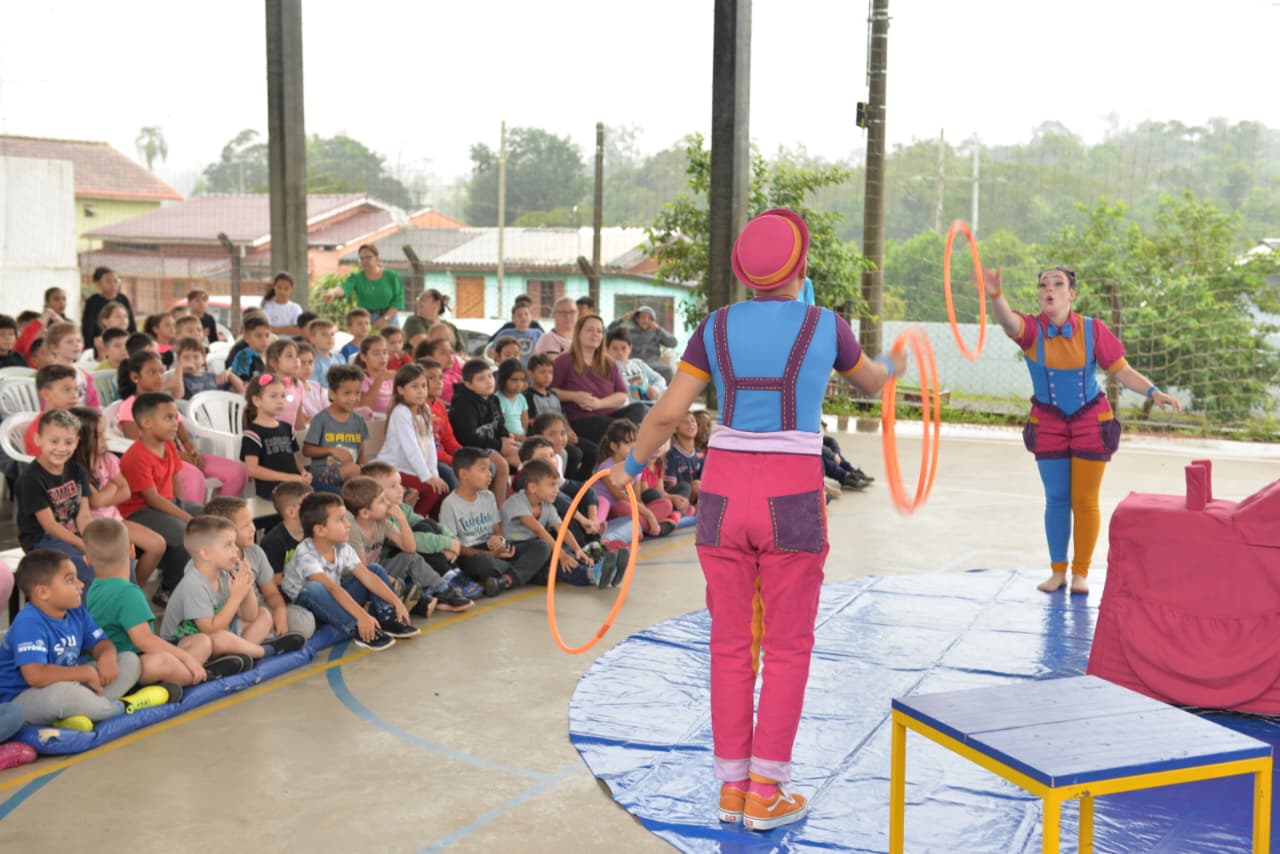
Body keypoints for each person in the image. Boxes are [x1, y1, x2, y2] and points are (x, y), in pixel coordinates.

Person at [609, 208, 902, 830]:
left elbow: (666, 414)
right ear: (802, 263)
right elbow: (871, 382)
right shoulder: (826, 325)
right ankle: (767, 791)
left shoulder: (714, 327)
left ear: (743, 270)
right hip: (791, 492)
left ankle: (732, 788)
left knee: (730, 643)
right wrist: (893, 364)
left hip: (721, 494)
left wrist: (628, 469)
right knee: (788, 647)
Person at [983, 264, 1181, 595]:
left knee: (1085, 499)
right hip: (1049, 421)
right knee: (1057, 498)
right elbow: (1007, 322)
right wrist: (996, 295)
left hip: (1090, 418)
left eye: (1057, 283)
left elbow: (1121, 370)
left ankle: (1081, 573)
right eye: (1043, 284)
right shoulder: (1031, 330)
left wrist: (1153, 391)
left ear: (1071, 294)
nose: (1049, 288)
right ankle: (1058, 571)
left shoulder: (1092, 329)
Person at [0, 549, 154, 731]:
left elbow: (101, 643)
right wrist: (85, 673)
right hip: (24, 696)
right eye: (70, 580)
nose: (81, 585)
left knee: (129, 660)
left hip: (71, 681)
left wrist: (107, 657)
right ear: (43, 592)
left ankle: (87, 709)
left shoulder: (75, 610)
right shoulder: (28, 623)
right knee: (63, 696)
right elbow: (36, 676)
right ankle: (118, 707)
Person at [82, 517, 220, 690]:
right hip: (128, 667)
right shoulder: (128, 593)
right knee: (161, 661)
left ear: (86, 560)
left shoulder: (94, 588)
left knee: (201, 640)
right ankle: (200, 675)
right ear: (132, 550)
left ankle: (182, 673)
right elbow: (144, 641)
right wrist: (187, 658)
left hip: (114, 663)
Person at [158, 515, 306, 662]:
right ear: (205, 554)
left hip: (218, 633)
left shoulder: (223, 572)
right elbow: (209, 629)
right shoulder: (194, 584)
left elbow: (250, 616)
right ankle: (264, 651)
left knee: (264, 615)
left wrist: (246, 586)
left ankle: (236, 656)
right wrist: (235, 598)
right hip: (185, 645)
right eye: (228, 545)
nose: (235, 549)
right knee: (213, 640)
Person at [282, 492, 416, 650]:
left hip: (335, 599)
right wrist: (362, 616)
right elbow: (332, 588)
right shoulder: (305, 553)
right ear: (320, 530)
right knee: (315, 588)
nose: (348, 524)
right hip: (310, 607)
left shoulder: (342, 547)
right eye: (340, 520)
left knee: (374, 570)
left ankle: (387, 618)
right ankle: (359, 629)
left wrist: (396, 601)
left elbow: (367, 577)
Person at [117, 350, 248, 502]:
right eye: (152, 372)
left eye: (161, 371)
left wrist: (192, 451)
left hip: (184, 456)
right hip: (160, 463)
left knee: (237, 472)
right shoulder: (129, 406)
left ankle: (222, 513)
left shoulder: (166, 402)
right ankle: (192, 517)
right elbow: (136, 445)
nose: (159, 377)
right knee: (194, 476)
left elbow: (183, 437)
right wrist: (180, 456)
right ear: (135, 377)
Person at [118, 392, 206, 604]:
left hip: (165, 504)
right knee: (183, 534)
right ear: (146, 423)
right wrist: (185, 518)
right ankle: (168, 589)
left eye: (175, 417)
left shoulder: (168, 445)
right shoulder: (136, 456)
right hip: (139, 512)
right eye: (168, 418)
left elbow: (176, 480)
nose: (175, 423)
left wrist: (181, 506)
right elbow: (153, 499)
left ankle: (203, 580)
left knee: (209, 518)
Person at [342, 476, 472, 617]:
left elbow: (410, 548)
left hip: (378, 572)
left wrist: (402, 519)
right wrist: (395, 583)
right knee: (380, 574)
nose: (388, 504)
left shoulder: (383, 523)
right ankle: (413, 600)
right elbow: (364, 571)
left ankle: (442, 589)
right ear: (365, 513)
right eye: (381, 501)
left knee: (410, 557)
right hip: (357, 580)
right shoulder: (354, 531)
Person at [70, 406, 167, 588]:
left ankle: (135, 589)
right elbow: (96, 501)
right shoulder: (77, 469)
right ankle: (123, 591)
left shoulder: (109, 459)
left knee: (157, 544)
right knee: (123, 554)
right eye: (98, 435)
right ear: (81, 440)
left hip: (116, 520)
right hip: (96, 527)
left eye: (104, 433)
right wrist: (114, 484)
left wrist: (111, 489)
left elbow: (126, 492)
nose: (105, 438)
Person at [362, 461, 482, 602]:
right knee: (423, 538)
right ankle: (445, 577)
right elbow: (412, 542)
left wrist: (453, 541)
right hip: (392, 563)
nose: (401, 490)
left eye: (400, 484)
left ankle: (451, 573)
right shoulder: (379, 518)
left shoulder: (401, 508)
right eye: (393, 486)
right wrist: (446, 543)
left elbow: (431, 524)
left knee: (426, 524)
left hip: (409, 556)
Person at [438, 446, 550, 596]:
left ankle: (507, 579)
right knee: (483, 563)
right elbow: (456, 547)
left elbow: (497, 530)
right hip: (472, 554)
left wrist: (500, 541)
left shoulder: (488, 496)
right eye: (483, 469)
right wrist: (491, 555)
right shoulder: (449, 504)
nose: (489, 474)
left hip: (493, 549)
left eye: (489, 469)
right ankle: (526, 573)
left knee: (542, 546)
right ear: (464, 474)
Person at [202, 496, 316, 641]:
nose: (253, 529)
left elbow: (271, 593)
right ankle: (259, 642)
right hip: (229, 617)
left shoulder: (255, 552)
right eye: (246, 526)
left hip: (260, 609)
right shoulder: (211, 563)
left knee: (304, 621)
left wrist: (280, 610)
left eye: (252, 522)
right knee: (221, 636)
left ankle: (260, 640)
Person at [502, 458, 616, 588]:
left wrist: (578, 550)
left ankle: (603, 571)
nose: (557, 490)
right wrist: (561, 555)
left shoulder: (547, 506)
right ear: (532, 487)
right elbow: (540, 530)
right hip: (513, 550)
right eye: (551, 485)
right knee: (555, 556)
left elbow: (562, 530)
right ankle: (591, 575)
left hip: (538, 548)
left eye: (557, 485)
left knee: (568, 555)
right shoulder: (517, 502)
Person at [17, 409, 96, 588]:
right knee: (87, 568)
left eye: (68, 442)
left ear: (77, 442)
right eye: (54, 441)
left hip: (73, 535)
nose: (61, 448)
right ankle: (85, 607)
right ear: (38, 439)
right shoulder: (31, 479)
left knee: (118, 557)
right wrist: (83, 546)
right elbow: (50, 526)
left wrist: (90, 541)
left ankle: (122, 604)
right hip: (42, 541)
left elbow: (84, 515)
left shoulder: (77, 470)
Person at [550, 314, 648, 444]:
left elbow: (622, 395)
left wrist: (599, 403)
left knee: (641, 409)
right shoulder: (564, 361)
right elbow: (551, 392)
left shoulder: (609, 362)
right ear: (578, 333)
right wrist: (574, 396)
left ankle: (628, 441)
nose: (595, 334)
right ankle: (630, 442)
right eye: (590, 330)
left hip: (611, 415)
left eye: (599, 331)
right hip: (583, 419)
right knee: (612, 425)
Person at [375, 363, 450, 518]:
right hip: (392, 469)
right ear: (400, 390)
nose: (421, 391)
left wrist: (434, 475)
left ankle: (432, 525)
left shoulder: (426, 410)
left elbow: (430, 445)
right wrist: (427, 478)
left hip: (412, 469)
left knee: (442, 489)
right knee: (431, 490)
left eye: (424, 385)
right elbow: (412, 450)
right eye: (414, 386)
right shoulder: (401, 413)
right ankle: (412, 524)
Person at [447, 359, 519, 503]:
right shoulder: (464, 404)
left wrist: (505, 437)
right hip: (471, 448)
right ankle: (498, 508)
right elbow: (468, 437)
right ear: (468, 384)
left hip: (491, 444)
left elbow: (499, 424)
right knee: (501, 465)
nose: (489, 381)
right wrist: (500, 445)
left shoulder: (493, 399)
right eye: (481, 379)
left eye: (490, 376)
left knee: (522, 456)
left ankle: (519, 502)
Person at [594, 419, 676, 537]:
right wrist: (649, 515)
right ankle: (656, 529)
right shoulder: (606, 468)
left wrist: (645, 511)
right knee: (623, 506)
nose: (634, 447)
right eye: (628, 444)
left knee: (667, 504)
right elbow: (620, 497)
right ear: (614, 447)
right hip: (613, 511)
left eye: (636, 443)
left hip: (631, 508)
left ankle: (641, 527)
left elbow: (637, 498)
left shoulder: (636, 465)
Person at [241, 373, 311, 500]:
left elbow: (295, 458)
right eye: (273, 396)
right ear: (257, 401)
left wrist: (303, 472)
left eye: (283, 396)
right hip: (274, 491)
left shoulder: (287, 428)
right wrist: (287, 478)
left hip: (294, 485)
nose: (280, 401)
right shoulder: (252, 434)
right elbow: (252, 469)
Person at [302, 364, 368, 493]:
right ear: (332, 394)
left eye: (357, 393)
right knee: (352, 471)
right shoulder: (321, 419)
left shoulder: (359, 420)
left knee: (377, 476)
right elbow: (307, 450)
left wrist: (364, 471)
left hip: (350, 474)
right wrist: (330, 450)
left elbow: (361, 451)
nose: (353, 398)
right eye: (347, 393)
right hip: (322, 475)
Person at [322, 244, 404, 328]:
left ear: (377, 258)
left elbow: (398, 300)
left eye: (368, 257)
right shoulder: (356, 277)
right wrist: (333, 292)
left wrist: (384, 319)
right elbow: (344, 288)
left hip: (390, 318)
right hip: (366, 320)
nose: (364, 261)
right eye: (362, 258)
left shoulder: (391, 276)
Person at [608, 305, 677, 382]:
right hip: (634, 365)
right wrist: (622, 319)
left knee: (668, 370)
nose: (646, 320)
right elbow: (609, 330)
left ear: (653, 321)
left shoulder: (657, 332)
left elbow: (673, 343)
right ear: (637, 319)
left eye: (649, 318)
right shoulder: (628, 332)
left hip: (653, 365)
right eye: (643, 317)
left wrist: (658, 329)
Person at [260, 481, 312, 583]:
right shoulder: (273, 541)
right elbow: (275, 579)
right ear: (291, 512)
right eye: (309, 505)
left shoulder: (312, 532)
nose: (316, 508)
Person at [23, 363, 81, 455]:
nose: (74, 395)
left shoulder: (74, 419)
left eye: (76, 389)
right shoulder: (40, 429)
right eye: (66, 390)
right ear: (46, 394)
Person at [82, 267, 138, 348]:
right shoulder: (93, 302)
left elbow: (132, 324)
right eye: (108, 281)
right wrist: (90, 347)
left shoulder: (123, 299)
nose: (113, 285)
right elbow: (88, 328)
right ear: (98, 284)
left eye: (116, 281)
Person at [606, 328, 667, 403]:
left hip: (655, 403)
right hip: (634, 406)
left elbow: (659, 378)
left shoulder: (638, 363)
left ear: (630, 348)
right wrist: (647, 391)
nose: (620, 352)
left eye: (623, 348)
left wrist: (655, 389)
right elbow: (623, 390)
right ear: (607, 350)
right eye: (615, 349)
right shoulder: (609, 369)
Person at [174, 336, 245, 399]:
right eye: (186, 357)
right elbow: (178, 395)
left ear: (203, 359)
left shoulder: (213, 377)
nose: (191, 360)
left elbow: (242, 390)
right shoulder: (180, 378)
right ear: (179, 360)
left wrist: (230, 375)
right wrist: (179, 368)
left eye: (196, 357)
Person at [402, 289, 464, 353]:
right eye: (418, 298)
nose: (418, 302)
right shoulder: (414, 320)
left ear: (437, 303)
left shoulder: (451, 326)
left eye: (423, 298)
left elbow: (462, 352)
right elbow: (422, 346)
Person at [667, 411, 706, 505]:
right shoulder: (671, 455)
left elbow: (706, 481)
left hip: (698, 498)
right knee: (696, 485)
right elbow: (672, 487)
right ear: (675, 429)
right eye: (684, 422)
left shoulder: (700, 454)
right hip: (678, 500)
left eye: (693, 421)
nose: (690, 424)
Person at [353, 334, 395, 415]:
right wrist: (380, 379)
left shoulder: (391, 376)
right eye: (376, 353)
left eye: (385, 352)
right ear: (363, 357)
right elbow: (364, 405)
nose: (382, 357)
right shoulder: (361, 379)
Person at [228, 315, 272, 382]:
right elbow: (241, 384)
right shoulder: (243, 358)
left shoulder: (273, 356)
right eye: (259, 336)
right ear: (247, 338)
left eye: (267, 335)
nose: (264, 340)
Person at [495, 358, 530, 441]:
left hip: (522, 439)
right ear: (503, 380)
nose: (519, 384)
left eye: (522, 380)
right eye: (514, 380)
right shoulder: (497, 399)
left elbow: (525, 424)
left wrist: (526, 438)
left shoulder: (521, 398)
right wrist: (522, 438)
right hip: (507, 440)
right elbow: (499, 429)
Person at [261, 272, 304, 336]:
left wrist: (274, 329)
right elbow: (264, 328)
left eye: (286, 289)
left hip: (291, 342)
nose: (282, 291)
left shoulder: (296, 308)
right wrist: (289, 329)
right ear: (274, 287)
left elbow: (298, 329)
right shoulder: (268, 306)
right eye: (279, 287)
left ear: (291, 289)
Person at [306, 318, 341, 387]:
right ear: (312, 339)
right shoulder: (311, 361)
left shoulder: (340, 357)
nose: (330, 337)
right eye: (324, 334)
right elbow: (314, 387)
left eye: (332, 334)